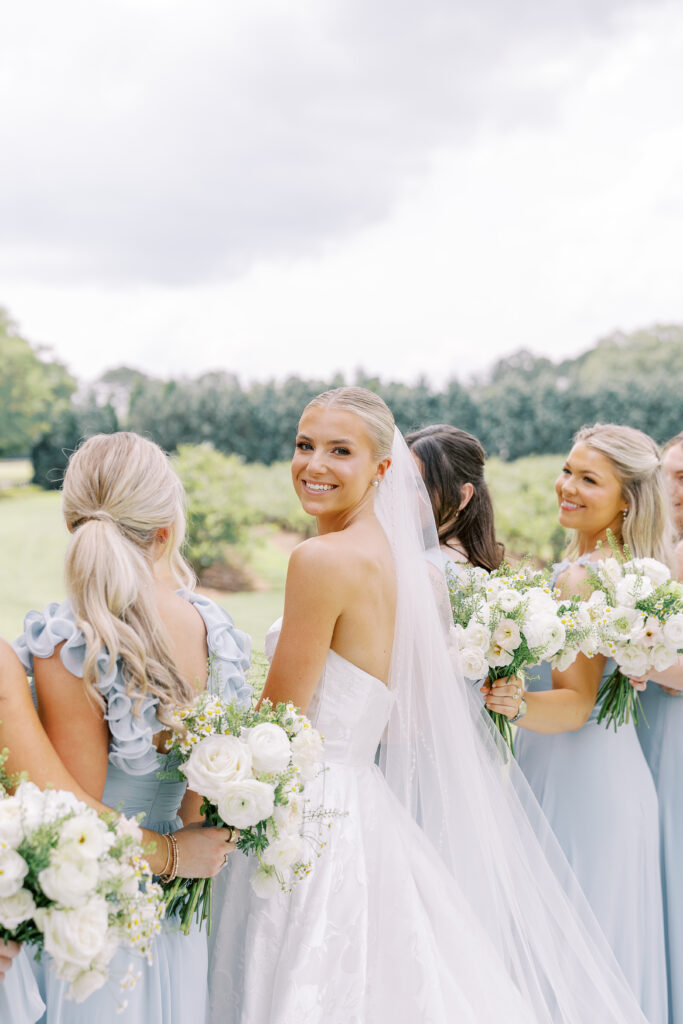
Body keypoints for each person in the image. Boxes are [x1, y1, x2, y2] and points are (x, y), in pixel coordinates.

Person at [208, 388, 650, 1024]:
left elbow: (279, 724)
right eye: (304, 445)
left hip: (308, 806)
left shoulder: (319, 559)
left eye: (340, 450)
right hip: (363, 802)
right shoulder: (415, 571)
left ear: (382, 469)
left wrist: (203, 775)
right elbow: (403, 720)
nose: (314, 464)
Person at [13, 433, 251, 1023]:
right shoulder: (212, 630)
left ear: (73, 525)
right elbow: (202, 804)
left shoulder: (69, 641)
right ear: (165, 531)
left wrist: (168, 855)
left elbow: (71, 821)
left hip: (92, 917)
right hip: (175, 910)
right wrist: (179, 852)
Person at [488, 423, 669, 1021]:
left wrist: (510, 703)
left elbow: (577, 703)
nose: (567, 486)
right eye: (568, 470)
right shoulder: (630, 569)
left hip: (579, 784)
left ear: (627, 500)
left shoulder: (583, 576)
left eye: (589, 479)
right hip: (614, 779)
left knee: (568, 964)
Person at [0, 637, 240, 1024]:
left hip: (108, 903)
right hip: (97, 897)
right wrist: (171, 853)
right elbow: (55, 811)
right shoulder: (207, 630)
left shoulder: (59, 645)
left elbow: (53, 808)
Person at [631, 429, 683, 1023]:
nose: (675, 488)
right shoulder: (647, 557)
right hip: (637, 733)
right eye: (670, 474)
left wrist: (646, 661)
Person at [406, 423, 504, 573]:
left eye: (419, 485)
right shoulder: (466, 557)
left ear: (463, 496)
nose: (406, 495)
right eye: (404, 483)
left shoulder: (428, 569)